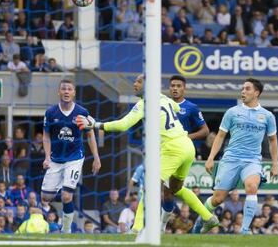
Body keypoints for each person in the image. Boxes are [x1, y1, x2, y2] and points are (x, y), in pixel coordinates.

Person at [77, 75, 218, 233]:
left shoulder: (144, 104)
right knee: (176, 188)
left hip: (172, 148)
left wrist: (95, 124)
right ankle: (209, 217)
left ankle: (136, 228)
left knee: (149, 186)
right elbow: (177, 108)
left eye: (138, 82)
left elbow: (123, 125)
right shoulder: (164, 98)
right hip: (187, 147)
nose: (135, 84)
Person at [196, 78, 278, 234]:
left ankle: (245, 229)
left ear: (256, 92)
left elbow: (273, 140)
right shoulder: (232, 112)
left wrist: (275, 164)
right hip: (231, 159)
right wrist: (210, 158)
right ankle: (201, 220)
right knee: (218, 198)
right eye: (242, 89)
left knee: (252, 186)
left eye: (247, 89)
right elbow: (220, 136)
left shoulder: (267, 116)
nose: (243, 91)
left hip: (252, 160)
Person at [41, 79, 101, 233]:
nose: (66, 91)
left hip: (74, 158)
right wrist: (47, 157)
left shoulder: (82, 112)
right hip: (55, 159)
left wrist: (96, 157)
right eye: (63, 89)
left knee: (66, 196)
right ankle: (62, 182)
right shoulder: (50, 113)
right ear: (59, 92)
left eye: (69, 89)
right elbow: (46, 136)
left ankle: (66, 230)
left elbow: (90, 135)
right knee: (45, 198)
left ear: (74, 93)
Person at [169, 75, 209, 143]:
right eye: (173, 86)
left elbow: (205, 131)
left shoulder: (192, 107)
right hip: (165, 147)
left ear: (184, 88)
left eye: (179, 86)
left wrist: (186, 137)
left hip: (183, 148)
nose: (175, 88)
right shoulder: (163, 104)